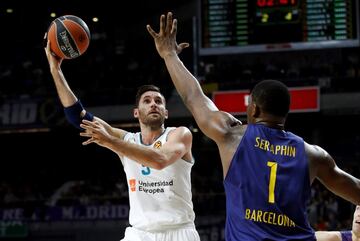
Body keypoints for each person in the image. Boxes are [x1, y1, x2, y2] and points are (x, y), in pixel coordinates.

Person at [146, 12, 360, 240]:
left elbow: (193, 96)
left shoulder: (231, 136)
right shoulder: (313, 155)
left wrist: (169, 55)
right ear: (285, 114)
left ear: (254, 109)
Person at [44, 37, 200, 241]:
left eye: (158, 101)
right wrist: (55, 70)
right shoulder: (127, 140)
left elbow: (159, 160)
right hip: (139, 233)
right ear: (136, 113)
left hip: (179, 232)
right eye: (147, 101)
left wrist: (110, 141)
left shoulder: (179, 134)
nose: (153, 104)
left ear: (166, 112)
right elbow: (78, 117)